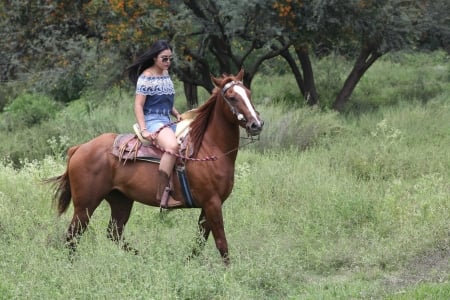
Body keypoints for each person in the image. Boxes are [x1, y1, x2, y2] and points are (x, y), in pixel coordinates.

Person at [126, 40, 182, 208]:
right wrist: (144, 130)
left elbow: (164, 99)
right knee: (172, 147)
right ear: (154, 58)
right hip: (153, 121)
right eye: (164, 59)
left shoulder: (165, 74)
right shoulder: (146, 77)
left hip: (167, 120)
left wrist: (176, 113)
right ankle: (161, 193)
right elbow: (138, 105)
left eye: (170, 59)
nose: (168, 62)